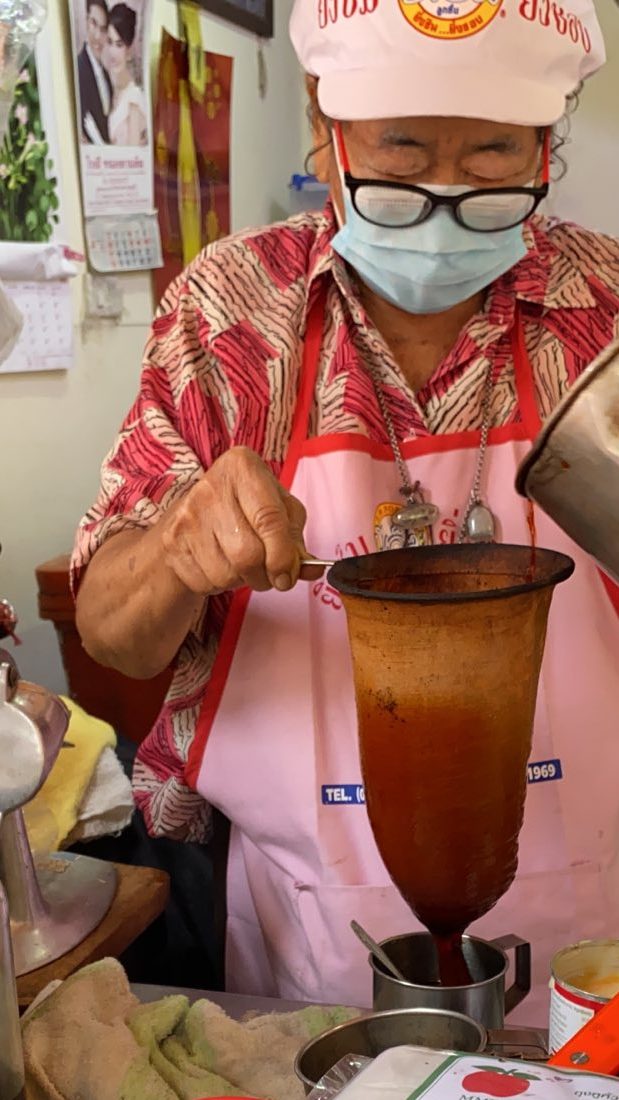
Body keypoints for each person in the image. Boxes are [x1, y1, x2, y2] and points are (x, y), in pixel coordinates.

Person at [72, 0, 619, 1024]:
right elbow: (112, 630)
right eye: (404, 145)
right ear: (326, 125)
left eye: (493, 151)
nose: (447, 193)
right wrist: (181, 545)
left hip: (597, 910)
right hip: (304, 930)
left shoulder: (606, 309)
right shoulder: (230, 313)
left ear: (550, 141)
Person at [105, 2, 147, 147]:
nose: (112, 53)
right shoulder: (109, 90)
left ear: (129, 50)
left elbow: (133, 155)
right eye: (109, 42)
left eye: (119, 45)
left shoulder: (133, 99)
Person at [78, 0, 112, 145]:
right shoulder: (78, 70)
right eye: (93, 23)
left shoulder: (107, 75)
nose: (98, 36)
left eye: (103, 29)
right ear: (86, 21)